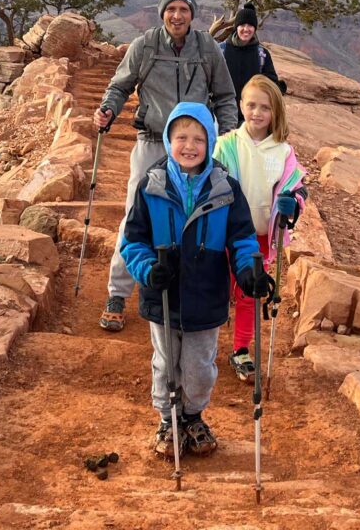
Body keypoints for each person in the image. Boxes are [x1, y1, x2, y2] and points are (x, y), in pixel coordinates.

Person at [121, 101, 269, 458]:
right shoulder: (151, 185)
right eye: (181, 137)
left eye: (199, 138)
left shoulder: (225, 189)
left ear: (211, 141)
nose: (189, 146)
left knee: (199, 366)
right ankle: (167, 419)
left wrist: (250, 268)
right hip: (164, 296)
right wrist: (147, 270)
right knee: (165, 363)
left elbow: (243, 238)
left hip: (206, 295)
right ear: (169, 139)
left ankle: (192, 415)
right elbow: (133, 241)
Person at [94, 0, 238, 332]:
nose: (177, 15)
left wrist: (229, 133)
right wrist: (107, 110)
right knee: (136, 215)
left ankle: (184, 292)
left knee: (192, 218)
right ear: (162, 13)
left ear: (192, 15)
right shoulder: (145, 46)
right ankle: (118, 292)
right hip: (153, 141)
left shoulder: (206, 49)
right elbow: (120, 86)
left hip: (193, 148)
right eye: (171, 9)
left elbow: (225, 96)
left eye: (184, 9)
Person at [213, 74, 306, 382]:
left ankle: (240, 348)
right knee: (216, 286)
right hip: (224, 233)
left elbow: (296, 188)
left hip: (262, 238)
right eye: (251, 105)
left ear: (275, 111)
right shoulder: (226, 145)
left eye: (264, 107)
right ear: (241, 106)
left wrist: (292, 205)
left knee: (249, 293)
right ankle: (205, 343)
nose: (256, 113)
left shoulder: (283, 152)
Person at [219, 2, 286, 122]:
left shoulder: (262, 54)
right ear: (236, 27)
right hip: (223, 116)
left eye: (250, 25)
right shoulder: (221, 50)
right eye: (242, 25)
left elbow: (270, 82)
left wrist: (278, 88)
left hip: (250, 119)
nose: (246, 29)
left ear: (255, 28)